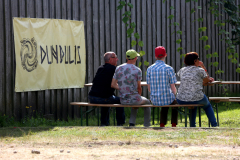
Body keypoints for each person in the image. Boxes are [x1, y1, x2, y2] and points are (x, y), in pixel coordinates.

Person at [176, 52, 218, 127]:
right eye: (198, 59)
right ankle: (214, 125)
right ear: (195, 61)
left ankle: (192, 126)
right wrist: (203, 66)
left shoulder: (182, 70)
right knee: (207, 105)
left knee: (192, 103)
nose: (199, 60)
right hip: (197, 97)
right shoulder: (200, 70)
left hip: (181, 98)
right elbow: (206, 80)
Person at [111, 49, 151, 127]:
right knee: (147, 102)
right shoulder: (137, 70)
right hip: (134, 99)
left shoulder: (118, 68)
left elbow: (113, 84)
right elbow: (139, 88)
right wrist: (138, 96)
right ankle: (146, 125)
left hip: (123, 100)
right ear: (135, 58)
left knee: (136, 99)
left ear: (126, 57)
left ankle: (132, 123)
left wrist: (123, 88)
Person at [88, 52, 125, 126]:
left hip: (91, 97)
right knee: (121, 100)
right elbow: (120, 82)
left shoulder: (100, 68)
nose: (117, 59)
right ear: (110, 59)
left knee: (107, 98)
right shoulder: (115, 69)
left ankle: (104, 123)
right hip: (102, 98)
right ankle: (120, 124)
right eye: (115, 57)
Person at [146, 46, 178, 127]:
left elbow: (149, 89)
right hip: (167, 98)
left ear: (155, 56)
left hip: (154, 100)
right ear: (165, 55)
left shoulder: (149, 69)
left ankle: (162, 123)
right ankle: (173, 124)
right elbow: (173, 88)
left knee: (164, 99)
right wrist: (174, 95)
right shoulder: (169, 68)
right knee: (174, 101)